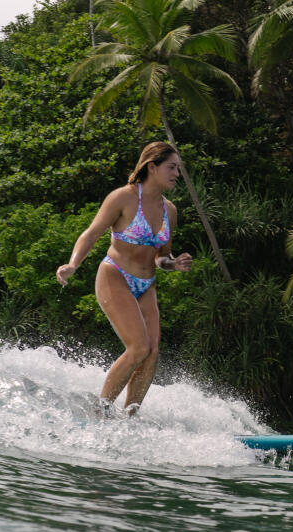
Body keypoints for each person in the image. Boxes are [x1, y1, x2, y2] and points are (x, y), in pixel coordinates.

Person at [56, 141, 192, 416]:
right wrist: (73, 264)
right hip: (115, 276)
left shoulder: (170, 211)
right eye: (172, 167)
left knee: (152, 352)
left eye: (178, 168)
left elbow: (160, 257)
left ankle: (130, 418)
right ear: (152, 167)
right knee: (138, 347)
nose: (177, 173)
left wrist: (173, 264)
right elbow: (91, 233)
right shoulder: (123, 198)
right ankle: (100, 411)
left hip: (146, 284)